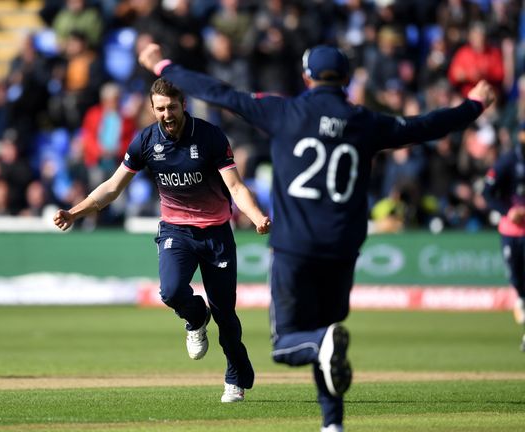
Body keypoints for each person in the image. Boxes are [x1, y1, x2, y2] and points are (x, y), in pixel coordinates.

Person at [139, 43, 496, 432]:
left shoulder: (285, 112)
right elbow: (423, 126)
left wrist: (164, 64)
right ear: (345, 79)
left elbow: (219, 93)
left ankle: (323, 355)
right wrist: (473, 106)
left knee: (294, 343)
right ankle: (332, 424)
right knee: (326, 333)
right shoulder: (365, 122)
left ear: (307, 77)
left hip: (294, 248)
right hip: (343, 249)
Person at [53, 78, 271, 402]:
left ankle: (235, 376)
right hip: (176, 230)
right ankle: (196, 317)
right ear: (151, 109)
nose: (166, 114)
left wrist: (256, 216)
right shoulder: (145, 141)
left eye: (171, 107)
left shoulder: (210, 137)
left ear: (183, 104)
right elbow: (113, 188)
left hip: (216, 232)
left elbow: (236, 187)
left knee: (225, 312)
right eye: (160, 109)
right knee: (170, 291)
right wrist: (75, 212)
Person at [482, 123, 525, 351]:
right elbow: (487, 192)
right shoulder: (509, 160)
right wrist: (508, 211)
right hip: (511, 229)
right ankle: (521, 298)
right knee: (517, 279)